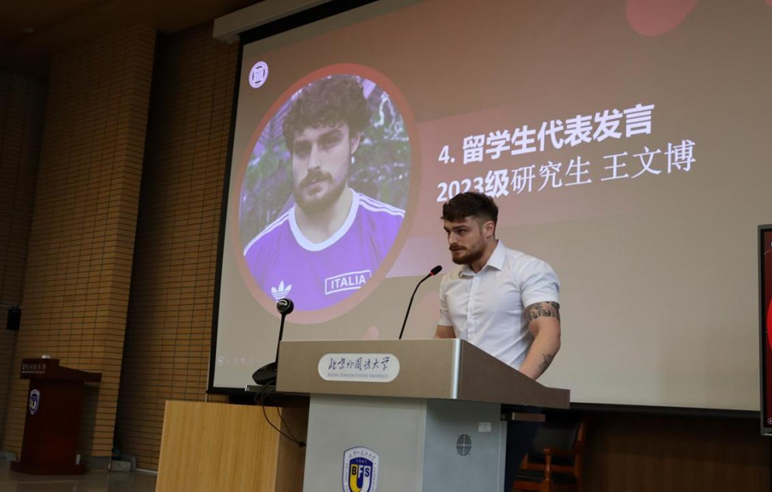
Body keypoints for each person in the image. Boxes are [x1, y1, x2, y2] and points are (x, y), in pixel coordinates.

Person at [434, 192, 561, 492]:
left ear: (488, 228)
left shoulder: (527, 269)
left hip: (509, 408)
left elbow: (548, 333)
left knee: (488, 486)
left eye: (461, 231)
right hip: (458, 405)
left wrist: (517, 388)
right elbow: (443, 340)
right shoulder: (450, 281)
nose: (452, 240)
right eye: (448, 231)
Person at [244, 76, 404, 311]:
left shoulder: (393, 230)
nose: (313, 164)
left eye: (329, 142)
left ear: (353, 141)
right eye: (302, 149)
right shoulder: (257, 255)